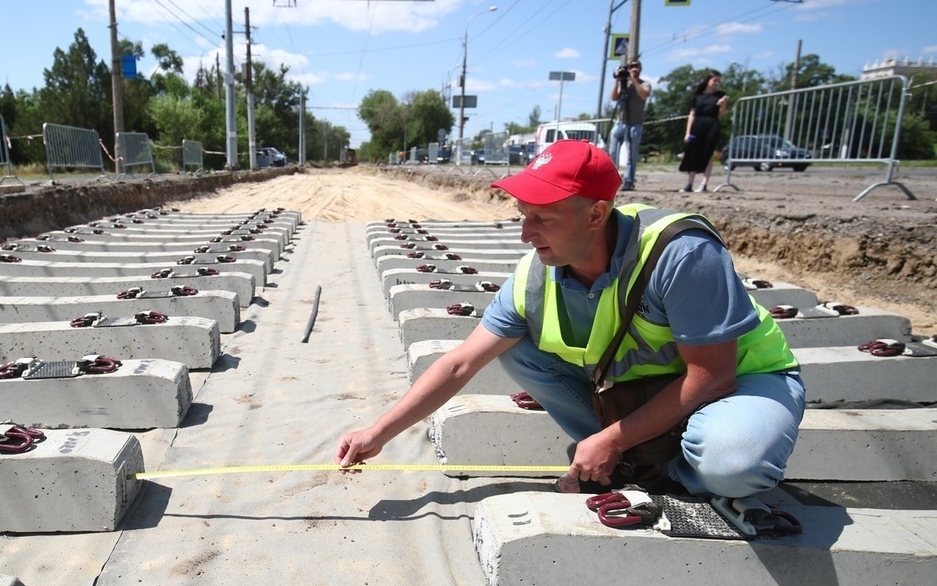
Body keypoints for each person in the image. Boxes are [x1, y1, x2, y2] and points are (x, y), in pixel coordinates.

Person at [335, 140, 805, 498]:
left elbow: (713, 378)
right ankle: (635, 457)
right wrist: (378, 432)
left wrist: (612, 438)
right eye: (522, 215)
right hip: (657, 385)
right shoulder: (535, 279)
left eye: (543, 218)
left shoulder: (680, 254)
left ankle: (671, 471)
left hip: (739, 379)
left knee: (732, 462)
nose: (525, 234)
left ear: (597, 215)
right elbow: (460, 364)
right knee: (516, 345)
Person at [679, 70, 728, 193]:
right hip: (697, 125)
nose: (717, 83)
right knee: (693, 153)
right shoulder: (697, 96)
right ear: (708, 80)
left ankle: (704, 184)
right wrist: (687, 132)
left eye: (718, 81)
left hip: (712, 125)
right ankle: (689, 183)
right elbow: (692, 114)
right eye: (714, 80)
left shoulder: (720, 95)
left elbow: (721, 114)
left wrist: (722, 105)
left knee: (708, 154)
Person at [608, 58, 651, 192]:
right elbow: (614, 97)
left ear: (640, 69)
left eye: (636, 66)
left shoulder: (645, 83)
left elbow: (644, 95)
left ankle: (628, 181)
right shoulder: (623, 84)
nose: (633, 69)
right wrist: (618, 79)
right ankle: (611, 180)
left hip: (635, 124)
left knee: (631, 155)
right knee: (612, 153)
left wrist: (634, 80)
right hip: (620, 122)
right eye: (631, 67)